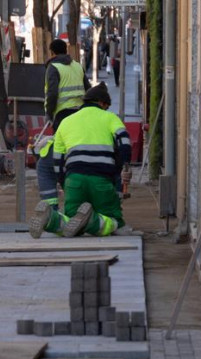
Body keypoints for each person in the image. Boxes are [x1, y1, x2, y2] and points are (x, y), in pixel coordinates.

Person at [30, 84, 130, 238]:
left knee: (71, 221)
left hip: (73, 179)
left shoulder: (66, 122)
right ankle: (91, 220)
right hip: (101, 179)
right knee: (114, 222)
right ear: (102, 103)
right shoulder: (110, 118)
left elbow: (58, 160)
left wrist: (65, 183)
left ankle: (51, 219)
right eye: (107, 106)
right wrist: (122, 167)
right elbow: (124, 142)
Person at [44, 39, 87, 131]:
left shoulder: (53, 67)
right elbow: (88, 89)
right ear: (66, 50)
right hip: (80, 111)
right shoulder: (77, 66)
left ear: (52, 52)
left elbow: (52, 93)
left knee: (61, 143)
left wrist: (49, 113)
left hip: (62, 113)